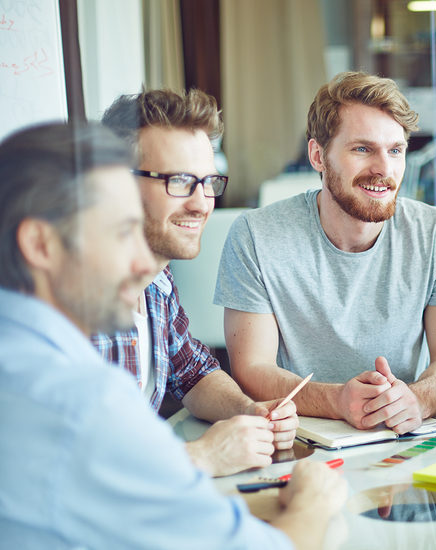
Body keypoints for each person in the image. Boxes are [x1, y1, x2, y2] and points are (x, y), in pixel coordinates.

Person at [0, 121, 346, 549]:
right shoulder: (86, 402)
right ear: (40, 244)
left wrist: (248, 410)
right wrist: (314, 498)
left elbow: (193, 369)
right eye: (120, 231)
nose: (140, 262)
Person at [214, 71, 436, 434]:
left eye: (395, 151)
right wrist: (336, 401)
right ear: (318, 156)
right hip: (297, 436)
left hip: (396, 435)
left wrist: (418, 399)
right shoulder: (256, 236)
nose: (384, 169)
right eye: (362, 149)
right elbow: (251, 369)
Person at [90, 88, 299, 478]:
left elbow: (194, 373)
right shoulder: (73, 297)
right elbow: (74, 462)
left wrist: (249, 410)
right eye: (181, 181)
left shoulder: (156, 283)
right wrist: (203, 456)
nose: (202, 203)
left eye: (209, 182)